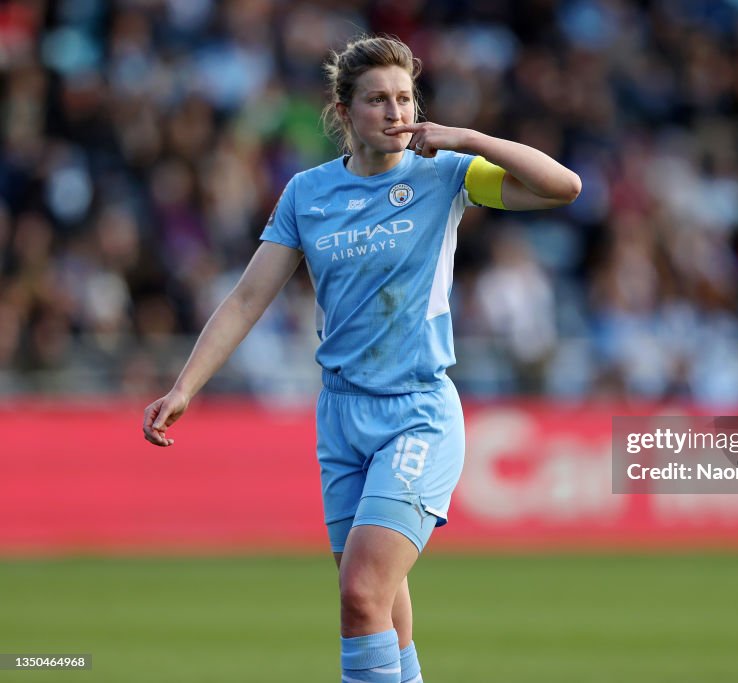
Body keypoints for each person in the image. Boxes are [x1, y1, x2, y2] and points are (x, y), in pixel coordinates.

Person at [141, 34, 580, 683]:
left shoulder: (442, 176)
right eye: (377, 100)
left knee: (360, 594)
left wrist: (466, 137)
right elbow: (246, 299)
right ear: (344, 113)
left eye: (404, 97)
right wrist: (185, 386)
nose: (396, 111)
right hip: (341, 417)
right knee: (383, 610)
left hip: (416, 412)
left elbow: (562, 186)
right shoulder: (307, 193)